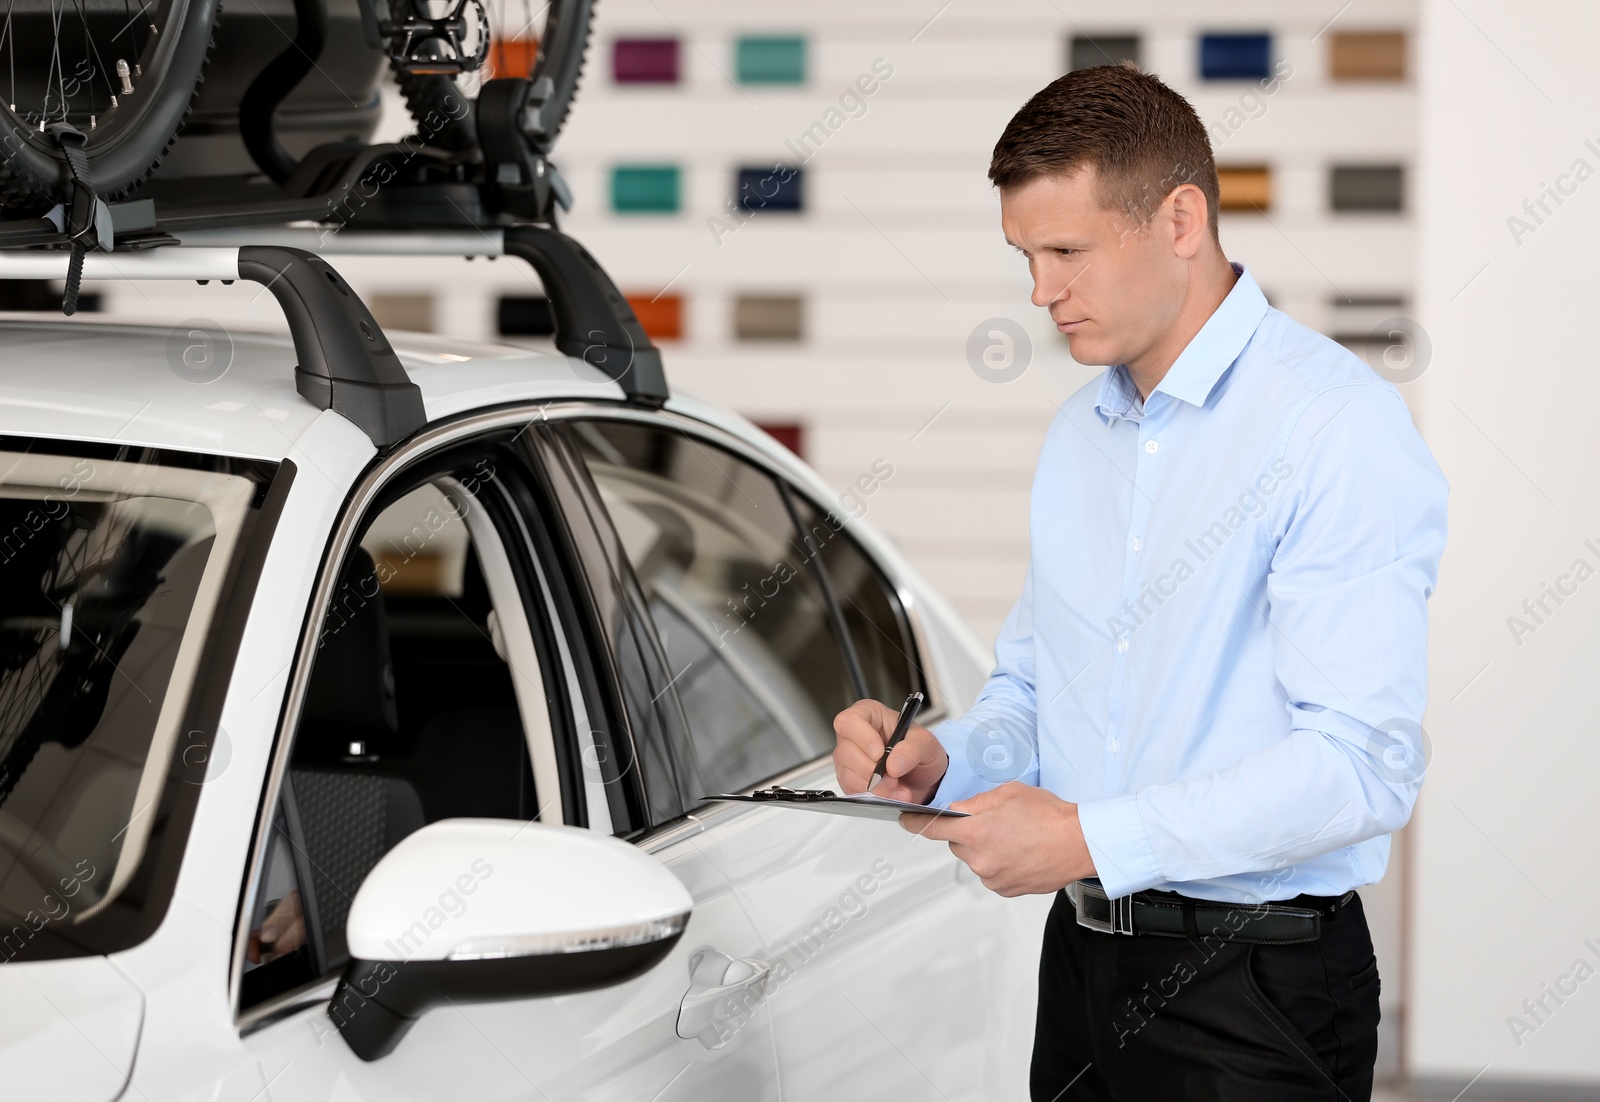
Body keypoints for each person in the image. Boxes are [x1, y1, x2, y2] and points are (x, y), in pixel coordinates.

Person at [832, 62, 1447, 1101]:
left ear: (1180, 218)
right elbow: (1038, 694)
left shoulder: (1335, 429)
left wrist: (1082, 837)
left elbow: (1361, 766)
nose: (1039, 292)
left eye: (1066, 251)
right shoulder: (1080, 436)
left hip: (1255, 992)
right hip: (1080, 964)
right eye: (1024, 256)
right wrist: (944, 762)